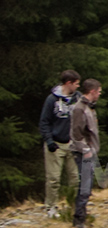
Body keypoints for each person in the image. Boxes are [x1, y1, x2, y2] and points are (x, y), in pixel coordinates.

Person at [38, 70, 81, 217]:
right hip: (56, 144)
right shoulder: (51, 100)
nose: (77, 86)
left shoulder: (78, 98)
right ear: (68, 83)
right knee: (53, 178)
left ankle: (75, 206)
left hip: (73, 143)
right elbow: (44, 122)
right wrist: (49, 141)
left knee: (75, 178)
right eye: (76, 84)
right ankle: (51, 207)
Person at [69, 79, 102, 228]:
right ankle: (79, 219)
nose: (99, 94)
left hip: (90, 151)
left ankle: (82, 216)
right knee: (85, 186)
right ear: (92, 91)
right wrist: (85, 149)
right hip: (83, 152)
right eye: (99, 91)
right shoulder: (79, 108)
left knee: (87, 186)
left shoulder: (89, 107)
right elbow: (76, 133)